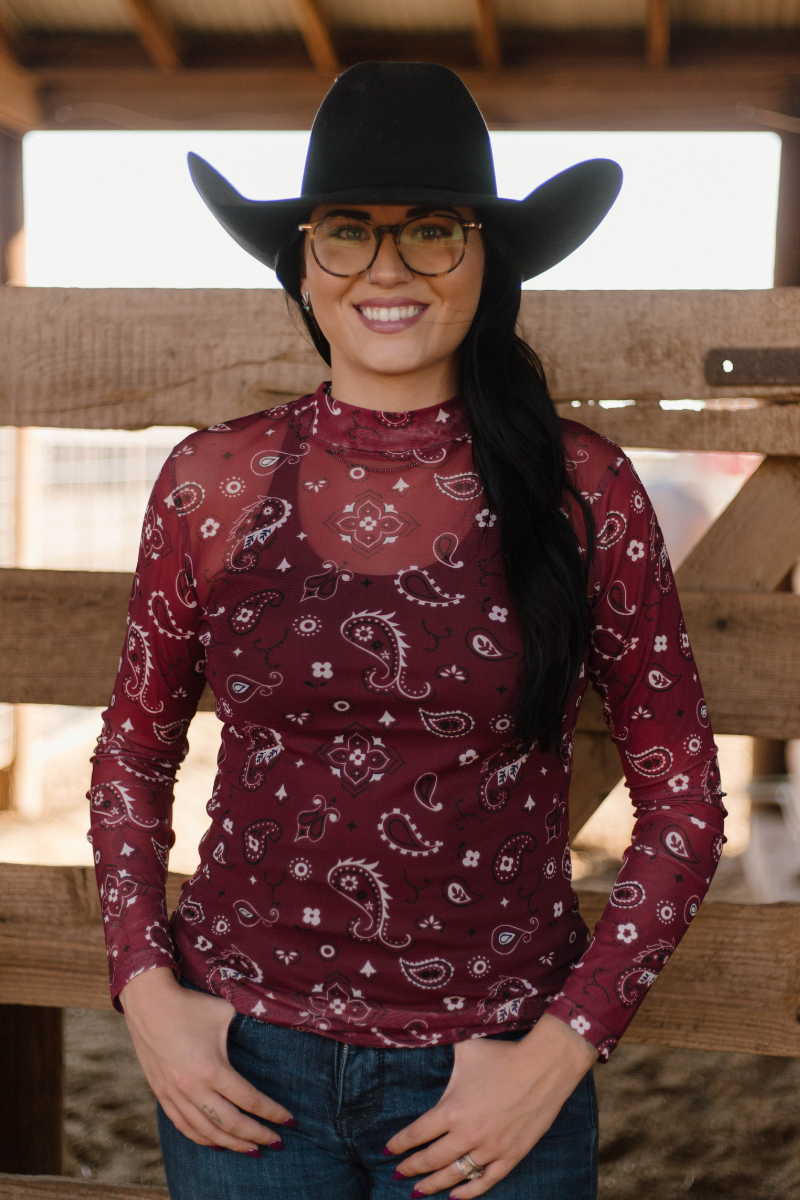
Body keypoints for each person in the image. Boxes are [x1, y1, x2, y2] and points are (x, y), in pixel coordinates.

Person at [87, 61, 725, 1200]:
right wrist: (146, 993)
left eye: (432, 230)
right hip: (241, 1067)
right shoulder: (211, 484)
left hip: (493, 1074)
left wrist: (565, 1045)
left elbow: (677, 783)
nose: (387, 269)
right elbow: (134, 751)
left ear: (488, 257)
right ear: (302, 262)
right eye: (347, 231)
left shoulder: (582, 491)